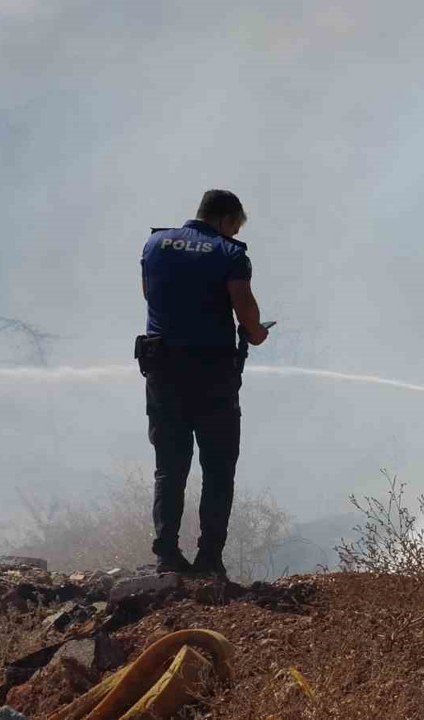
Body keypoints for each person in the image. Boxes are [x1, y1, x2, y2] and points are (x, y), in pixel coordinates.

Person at [138, 189, 269, 576]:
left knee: (170, 466)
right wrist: (258, 333)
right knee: (217, 466)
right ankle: (209, 559)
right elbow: (245, 311)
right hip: (212, 375)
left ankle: (166, 556)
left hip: (162, 371)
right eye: (235, 226)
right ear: (227, 220)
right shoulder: (230, 253)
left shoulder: (155, 243)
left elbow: (150, 295)